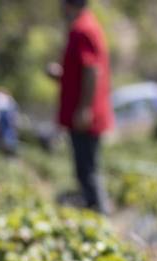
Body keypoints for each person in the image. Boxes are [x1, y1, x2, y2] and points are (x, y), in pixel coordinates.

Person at [48, 0, 112, 214]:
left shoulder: (83, 29)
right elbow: (82, 70)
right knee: (84, 169)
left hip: (86, 117)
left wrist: (85, 108)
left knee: (88, 171)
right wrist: (62, 74)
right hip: (82, 114)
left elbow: (92, 70)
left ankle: (101, 217)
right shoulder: (83, 26)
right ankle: (96, 213)